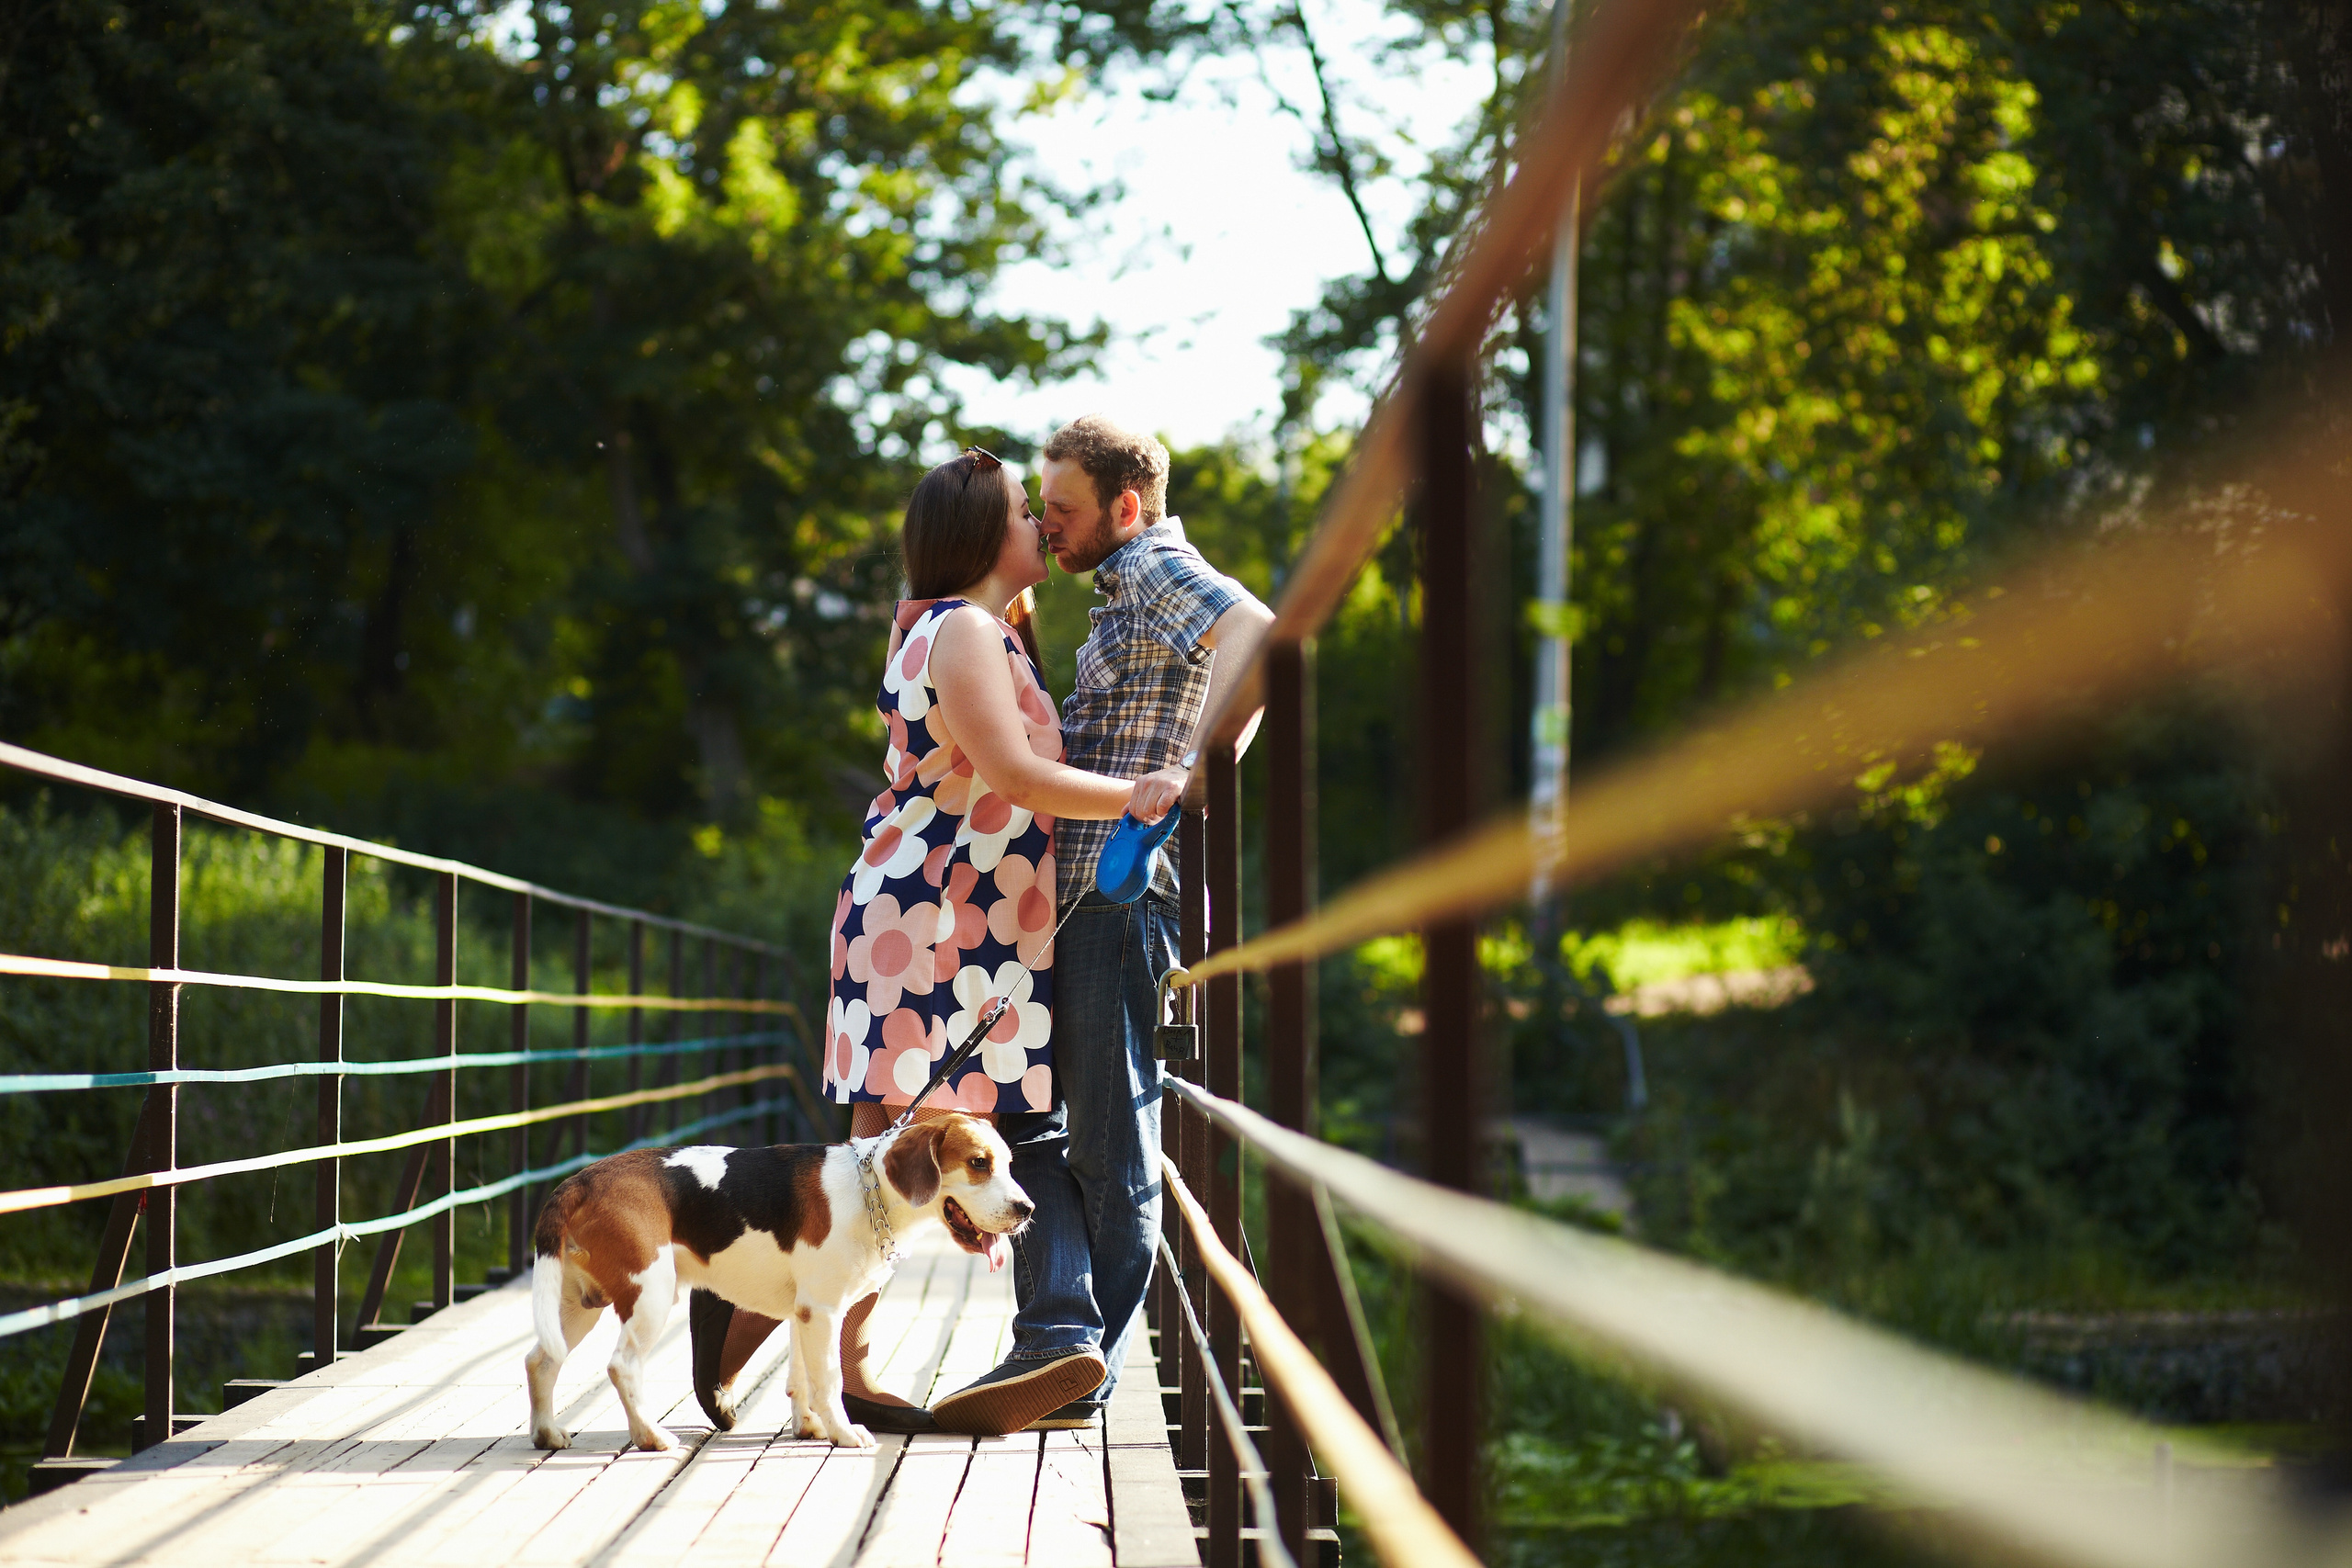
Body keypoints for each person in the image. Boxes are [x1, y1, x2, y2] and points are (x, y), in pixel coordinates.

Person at [695, 445, 1189, 1436]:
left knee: (891, 1140)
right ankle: (829, 1355)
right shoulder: (961, 628)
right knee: (891, 1144)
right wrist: (1142, 799)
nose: (1041, 528)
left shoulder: (981, 628)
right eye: (1023, 513)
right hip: (929, 918)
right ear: (978, 536)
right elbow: (1010, 774)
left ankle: (771, 1319)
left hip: (967, 920)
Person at [925, 415, 1272, 1435]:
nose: (1050, 525)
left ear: (1127, 505)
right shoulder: (1119, 591)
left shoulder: (1160, 567)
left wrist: (1199, 771)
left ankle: (1081, 1362)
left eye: (1063, 509)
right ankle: (1057, 1341)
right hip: (1066, 904)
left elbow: (1258, 633)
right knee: (1038, 1122)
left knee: (1110, 1141)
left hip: (1115, 903)